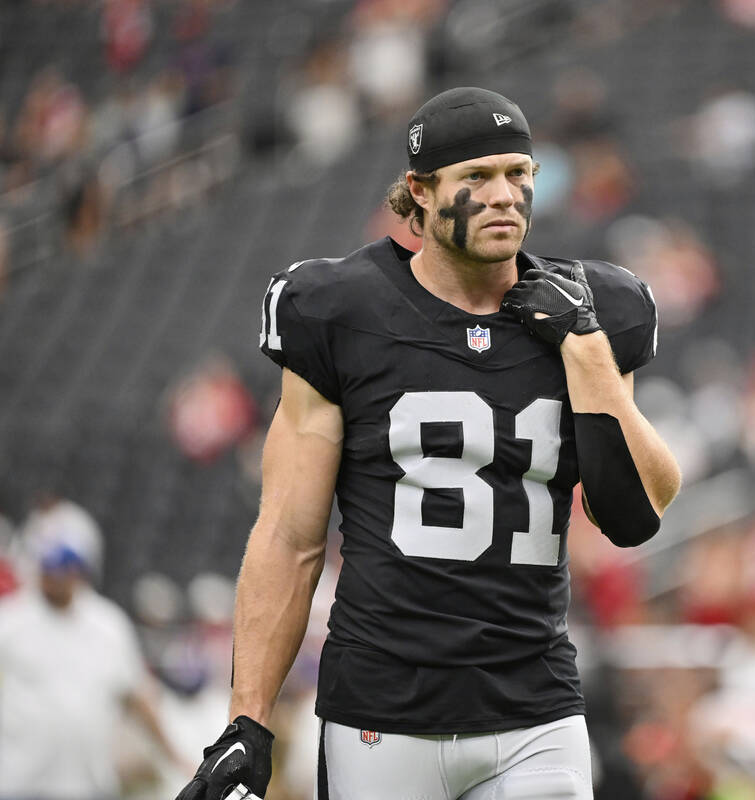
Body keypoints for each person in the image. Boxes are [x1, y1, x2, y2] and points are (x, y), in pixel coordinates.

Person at [176, 87, 681, 800]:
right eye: (476, 177)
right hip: (383, 712)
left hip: (535, 707)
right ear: (419, 191)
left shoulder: (591, 310)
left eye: (518, 173)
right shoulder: (341, 310)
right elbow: (291, 537)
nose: (504, 195)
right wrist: (248, 718)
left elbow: (638, 511)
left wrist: (589, 351)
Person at [0, 537, 185, 799]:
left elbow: (135, 696)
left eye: (65, 573)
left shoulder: (107, 623)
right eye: (51, 573)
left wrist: (173, 756)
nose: (58, 580)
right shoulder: (10, 620)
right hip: (20, 780)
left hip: (87, 783)